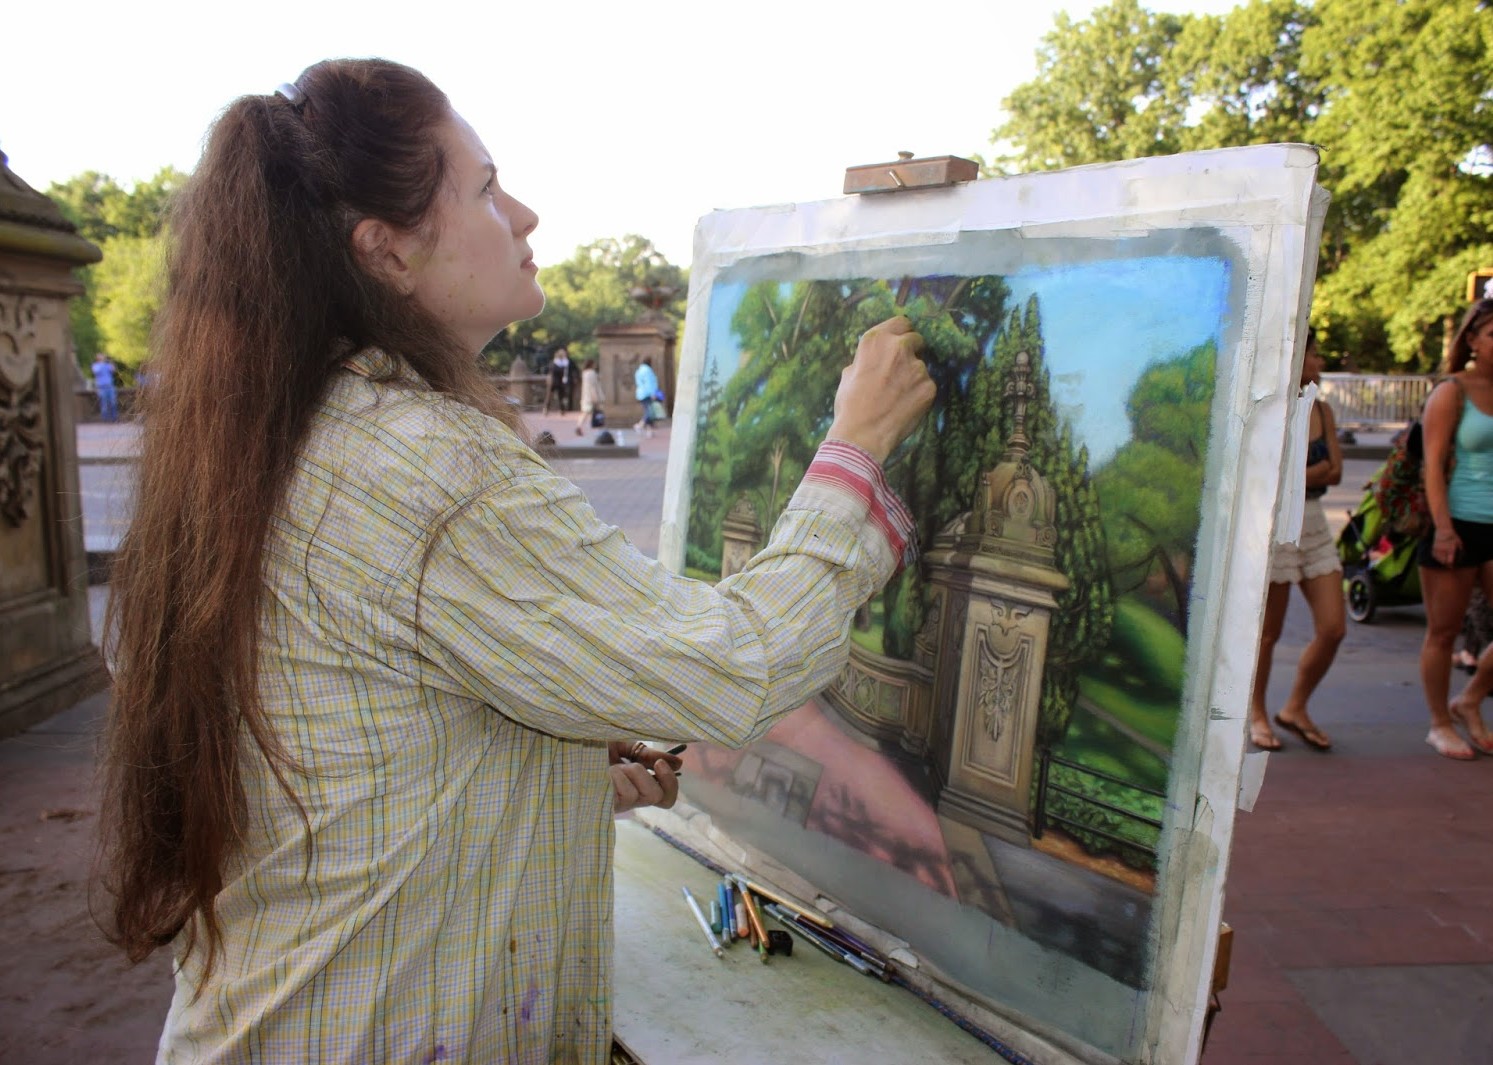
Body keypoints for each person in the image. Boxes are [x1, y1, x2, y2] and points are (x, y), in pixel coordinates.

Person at [96, 59, 935, 1064]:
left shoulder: (279, 423)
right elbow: (734, 663)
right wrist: (854, 451)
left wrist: (551, 768)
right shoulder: (426, 463)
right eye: (487, 190)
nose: (525, 215)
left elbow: (351, 756)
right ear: (386, 252)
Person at [1250, 328, 1344, 752]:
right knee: (1268, 633)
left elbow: (1335, 472)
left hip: (1315, 523)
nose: (1319, 362)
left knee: (1333, 627)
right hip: (1276, 527)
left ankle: (1295, 707)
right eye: (1314, 354)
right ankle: (1256, 713)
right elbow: (1265, 477)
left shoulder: (1321, 410)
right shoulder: (1269, 410)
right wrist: (1309, 474)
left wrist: (1296, 477)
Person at [1417, 298, 1493, 760]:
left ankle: (1469, 699)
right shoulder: (1452, 391)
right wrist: (1443, 529)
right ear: (1473, 340)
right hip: (1459, 523)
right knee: (1443, 633)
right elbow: (1431, 465)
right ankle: (1439, 723)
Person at [575, 356, 604, 436]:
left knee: (585, 412)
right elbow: (593, 386)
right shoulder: (591, 373)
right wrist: (595, 397)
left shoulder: (585, 373)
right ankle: (596, 428)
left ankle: (579, 426)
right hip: (592, 396)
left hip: (586, 396)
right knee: (595, 413)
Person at [634, 356, 660, 437]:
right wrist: (653, 393)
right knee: (649, 412)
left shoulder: (639, 371)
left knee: (648, 410)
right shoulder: (648, 371)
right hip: (647, 393)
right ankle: (640, 425)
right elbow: (650, 383)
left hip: (641, 393)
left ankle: (649, 431)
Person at [91, 351, 118, 421]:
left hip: (110, 386)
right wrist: (102, 364)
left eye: (102, 356)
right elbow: (96, 371)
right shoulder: (95, 365)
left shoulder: (107, 365)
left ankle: (114, 418)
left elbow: (113, 370)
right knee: (104, 404)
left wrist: (111, 361)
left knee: (113, 402)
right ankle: (105, 419)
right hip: (101, 387)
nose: (102, 357)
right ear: (97, 358)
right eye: (100, 356)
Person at [546, 345, 574, 412]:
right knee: (549, 396)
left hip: (561, 382)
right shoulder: (554, 362)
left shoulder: (566, 362)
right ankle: (546, 408)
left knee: (561, 396)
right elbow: (552, 370)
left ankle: (562, 409)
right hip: (553, 381)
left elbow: (571, 370)